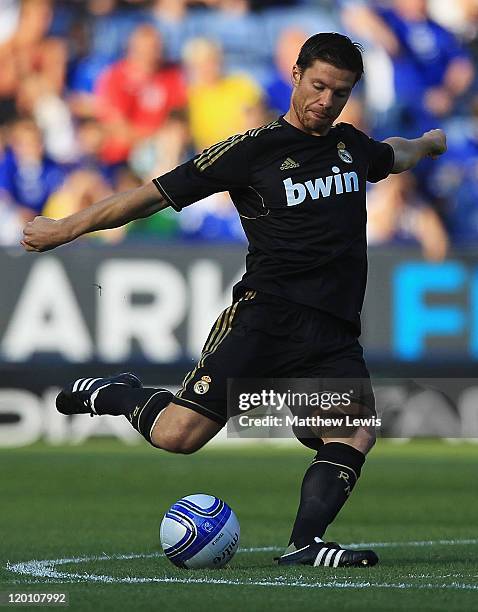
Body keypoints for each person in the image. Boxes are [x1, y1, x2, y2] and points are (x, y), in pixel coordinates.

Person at [21, 33, 447, 568]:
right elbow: (150, 194)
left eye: (338, 93)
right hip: (265, 318)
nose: (325, 102)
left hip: (333, 328)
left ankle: (305, 543)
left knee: (355, 428)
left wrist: (429, 143)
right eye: (317, 86)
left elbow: (396, 154)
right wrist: (66, 227)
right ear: (294, 74)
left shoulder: (350, 146)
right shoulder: (252, 152)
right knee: (180, 436)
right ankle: (115, 394)